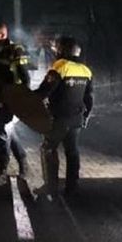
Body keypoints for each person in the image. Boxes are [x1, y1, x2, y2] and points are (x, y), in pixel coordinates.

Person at [34, 36, 94, 197]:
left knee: (48, 148)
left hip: (59, 118)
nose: (55, 51)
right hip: (76, 119)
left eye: (56, 48)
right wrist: (86, 116)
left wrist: (25, 98)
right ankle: (72, 187)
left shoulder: (60, 67)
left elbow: (44, 91)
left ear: (62, 50)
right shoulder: (85, 70)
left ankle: (50, 187)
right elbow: (89, 98)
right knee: (72, 151)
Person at [0, 22, 31, 185]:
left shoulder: (15, 50)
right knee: (7, 131)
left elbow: (25, 78)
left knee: (3, 133)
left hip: (11, 98)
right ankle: (23, 162)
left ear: (2, 34)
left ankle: (2, 170)